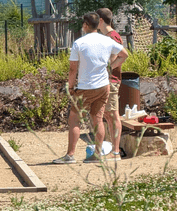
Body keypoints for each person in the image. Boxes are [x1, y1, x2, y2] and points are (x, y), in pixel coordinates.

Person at [53, 13, 128, 164]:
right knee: (98, 120)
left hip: (85, 87)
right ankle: (97, 154)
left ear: (86, 25)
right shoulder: (107, 40)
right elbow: (124, 54)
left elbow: (73, 69)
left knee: (74, 119)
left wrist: (71, 86)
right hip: (103, 86)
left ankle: (70, 155)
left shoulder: (79, 43)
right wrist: (110, 67)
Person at [96, 8, 124, 161]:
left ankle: (116, 152)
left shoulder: (112, 36)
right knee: (107, 114)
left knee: (113, 115)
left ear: (100, 20)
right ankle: (112, 150)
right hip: (105, 81)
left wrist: (108, 69)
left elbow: (119, 56)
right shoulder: (106, 36)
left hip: (111, 81)